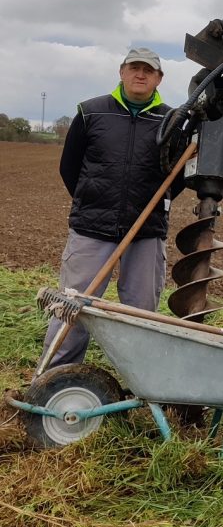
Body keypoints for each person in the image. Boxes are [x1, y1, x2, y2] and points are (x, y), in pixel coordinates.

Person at [40, 47, 182, 367]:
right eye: (134, 68)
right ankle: (55, 378)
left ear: (159, 78)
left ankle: (136, 386)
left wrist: (155, 205)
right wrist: (92, 200)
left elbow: (179, 176)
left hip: (146, 232)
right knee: (72, 307)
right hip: (92, 227)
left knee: (140, 313)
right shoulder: (91, 112)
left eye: (148, 70)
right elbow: (69, 167)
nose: (140, 74)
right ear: (121, 72)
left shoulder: (172, 121)